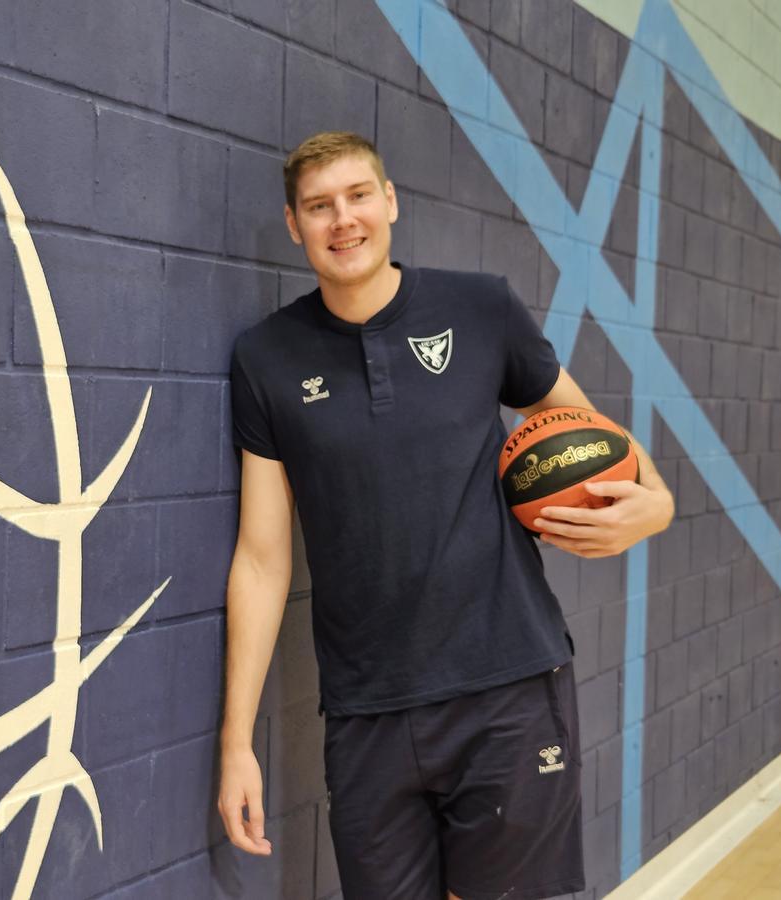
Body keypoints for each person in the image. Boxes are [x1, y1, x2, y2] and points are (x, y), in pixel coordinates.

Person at [216, 131, 674, 900]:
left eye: (359, 195)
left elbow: (596, 434)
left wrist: (655, 502)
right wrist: (237, 740)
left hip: (507, 688)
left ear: (390, 202)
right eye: (319, 207)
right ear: (295, 226)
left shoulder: (480, 306)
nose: (343, 220)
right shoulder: (266, 358)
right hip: (367, 709)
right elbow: (262, 560)